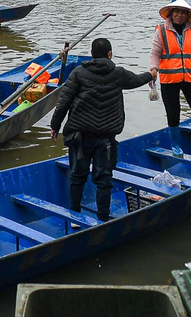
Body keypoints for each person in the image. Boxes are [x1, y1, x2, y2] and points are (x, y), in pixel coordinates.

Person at [50, 38, 155, 221]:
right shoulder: (118, 74)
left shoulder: (78, 73)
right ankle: (103, 219)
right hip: (106, 138)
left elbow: (63, 102)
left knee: (77, 176)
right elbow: (137, 80)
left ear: (91, 54)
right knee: (104, 180)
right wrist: (151, 74)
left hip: (80, 136)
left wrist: (55, 126)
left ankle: (74, 217)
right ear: (109, 54)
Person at [148, 0, 191, 155]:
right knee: (173, 112)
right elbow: (155, 53)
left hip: (189, 76)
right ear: (171, 14)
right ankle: (175, 144)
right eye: (176, 12)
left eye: (182, 12)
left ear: (187, 15)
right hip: (169, 78)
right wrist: (153, 71)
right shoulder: (161, 30)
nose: (179, 15)